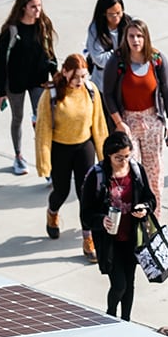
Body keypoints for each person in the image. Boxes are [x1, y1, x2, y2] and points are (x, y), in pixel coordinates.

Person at [34, 53, 107, 261]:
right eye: (76, 77)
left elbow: (99, 124)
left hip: (84, 145)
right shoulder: (52, 94)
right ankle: (52, 212)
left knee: (86, 194)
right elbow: (43, 129)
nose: (80, 82)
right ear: (65, 72)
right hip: (60, 148)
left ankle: (88, 237)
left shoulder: (91, 91)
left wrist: (104, 156)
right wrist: (44, 160)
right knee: (62, 191)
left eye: (84, 76)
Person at [80, 129, 156, 320]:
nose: (124, 161)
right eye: (118, 158)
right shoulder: (96, 176)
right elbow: (86, 214)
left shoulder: (136, 170)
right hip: (109, 241)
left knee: (130, 283)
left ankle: (126, 321)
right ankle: (111, 315)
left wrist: (145, 208)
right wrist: (101, 220)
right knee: (119, 284)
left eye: (127, 156)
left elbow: (150, 199)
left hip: (132, 238)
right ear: (108, 156)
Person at [102, 18, 168, 208]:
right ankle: (133, 214)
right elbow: (108, 94)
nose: (135, 40)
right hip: (128, 121)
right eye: (131, 36)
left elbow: (167, 91)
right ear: (125, 38)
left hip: (152, 120)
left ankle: (154, 216)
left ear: (146, 38)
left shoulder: (157, 59)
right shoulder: (118, 60)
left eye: (139, 36)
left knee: (154, 172)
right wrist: (119, 123)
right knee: (130, 170)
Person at [0, 0, 57, 177]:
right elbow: (0, 62)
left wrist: (57, 78)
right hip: (16, 83)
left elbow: (50, 54)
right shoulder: (10, 31)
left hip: (39, 81)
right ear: (23, 8)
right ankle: (18, 155)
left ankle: (44, 163)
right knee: (18, 118)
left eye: (39, 6)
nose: (37, 10)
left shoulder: (43, 25)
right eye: (33, 7)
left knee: (41, 119)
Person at [84, 0, 130, 94]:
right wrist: (122, 52)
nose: (117, 17)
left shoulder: (129, 23)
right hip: (103, 85)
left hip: (126, 83)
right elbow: (99, 59)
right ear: (103, 13)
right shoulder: (95, 29)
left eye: (119, 12)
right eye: (112, 14)